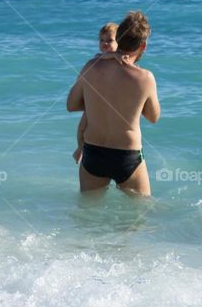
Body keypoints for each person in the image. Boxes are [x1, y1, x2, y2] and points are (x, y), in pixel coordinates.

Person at [67, 11, 160, 196]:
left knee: (88, 215)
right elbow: (153, 117)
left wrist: (98, 102)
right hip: (127, 156)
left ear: (117, 38)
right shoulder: (145, 78)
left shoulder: (91, 66)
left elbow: (72, 105)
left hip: (93, 151)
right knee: (138, 218)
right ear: (143, 46)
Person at [73, 22, 118, 164]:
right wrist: (112, 56)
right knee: (82, 128)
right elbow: (100, 57)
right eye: (101, 40)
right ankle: (80, 148)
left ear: (119, 42)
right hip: (93, 100)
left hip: (111, 103)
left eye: (109, 40)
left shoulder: (121, 58)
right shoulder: (99, 57)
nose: (104, 44)